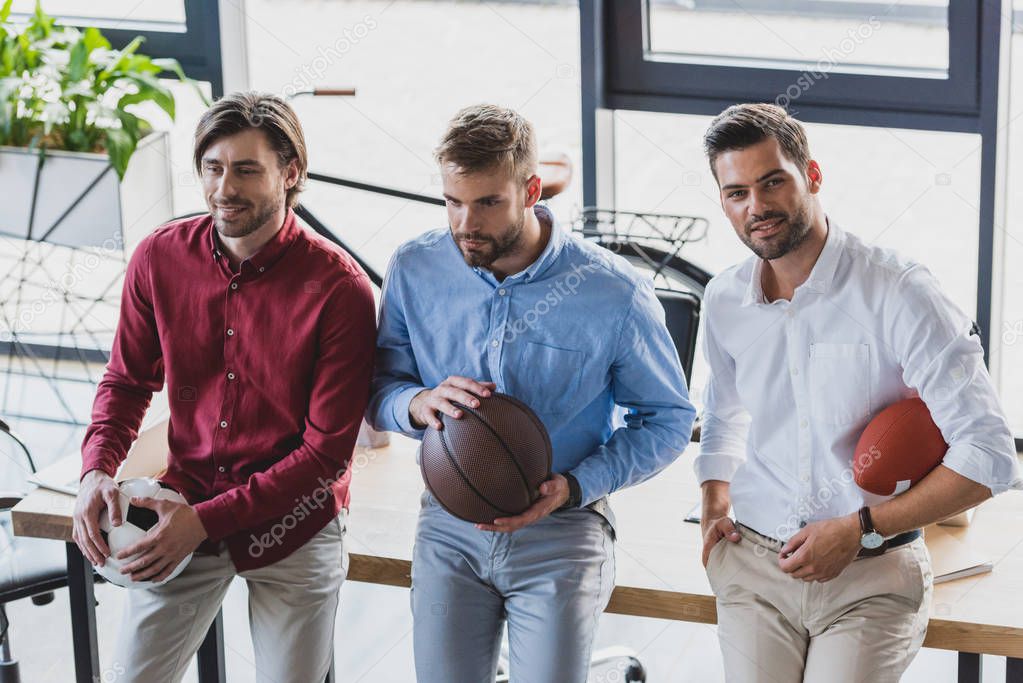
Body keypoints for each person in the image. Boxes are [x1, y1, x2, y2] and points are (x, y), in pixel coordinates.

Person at [367, 103, 695, 682]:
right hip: (450, 522)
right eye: (452, 202)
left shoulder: (613, 291)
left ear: (531, 189)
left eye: (488, 202)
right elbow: (381, 385)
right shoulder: (415, 268)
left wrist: (575, 487)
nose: (466, 223)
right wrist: (415, 404)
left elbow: (667, 419)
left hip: (563, 529)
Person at [696, 102, 1022, 682]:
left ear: (812, 176)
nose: (757, 207)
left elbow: (990, 455)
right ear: (722, 202)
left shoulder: (900, 293)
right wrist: (714, 496)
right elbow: (724, 411)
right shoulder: (723, 300)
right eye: (736, 193)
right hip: (755, 569)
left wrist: (863, 526)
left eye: (773, 182)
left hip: (872, 575)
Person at [72, 91, 376, 683]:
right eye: (212, 168)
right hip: (180, 505)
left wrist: (206, 522)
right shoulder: (159, 258)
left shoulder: (341, 290)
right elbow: (127, 382)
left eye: (245, 169)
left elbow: (325, 455)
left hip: (296, 523)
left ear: (291, 174)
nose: (224, 189)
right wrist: (95, 471)